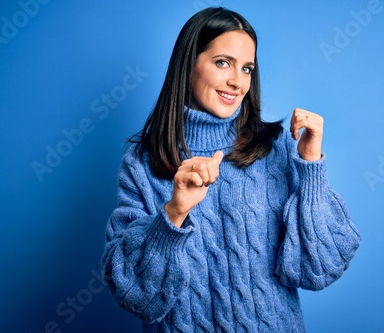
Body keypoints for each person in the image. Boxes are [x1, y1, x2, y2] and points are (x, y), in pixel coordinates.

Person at [101, 6, 361, 332]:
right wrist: (174, 213)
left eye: (247, 68)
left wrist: (310, 168)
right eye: (223, 63)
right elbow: (135, 296)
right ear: (189, 64)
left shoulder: (275, 147)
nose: (237, 82)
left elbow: (320, 268)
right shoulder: (141, 165)